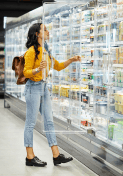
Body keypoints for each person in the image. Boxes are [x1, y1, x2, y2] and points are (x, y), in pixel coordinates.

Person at [23, 23, 81, 167]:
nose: (48, 32)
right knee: (30, 123)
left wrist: (72, 60)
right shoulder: (31, 51)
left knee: (49, 121)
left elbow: (59, 66)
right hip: (33, 88)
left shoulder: (46, 51)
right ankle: (30, 157)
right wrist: (37, 70)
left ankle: (56, 155)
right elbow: (26, 72)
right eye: (45, 29)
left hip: (44, 88)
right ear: (37, 34)